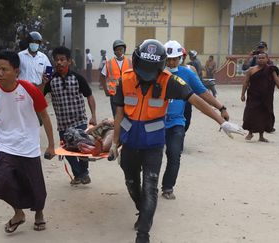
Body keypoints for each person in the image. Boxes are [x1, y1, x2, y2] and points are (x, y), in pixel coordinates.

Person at [107, 39, 244, 243]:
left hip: (153, 145)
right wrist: (114, 142)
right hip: (130, 143)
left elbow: (196, 99)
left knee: (150, 186)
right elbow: (119, 113)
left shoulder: (169, 81)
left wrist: (220, 120)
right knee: (132, 183)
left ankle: (143, 233)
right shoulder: (125, 80)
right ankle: (142, 210)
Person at [0, 50, 55, 233]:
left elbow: (45, 116)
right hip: (6, 144)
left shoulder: (29, 89)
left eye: (4, 69)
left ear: (16, 71)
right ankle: (18, 213)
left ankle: (39, 214)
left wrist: (51, 144)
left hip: (28, 144)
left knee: (36, 186)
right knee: (0, 179)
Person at [161, 40, 230, 200]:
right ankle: (150, 186)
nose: (172, 62)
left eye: (175, 58)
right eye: (169, 58)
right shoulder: (157, 72)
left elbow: (203, 93)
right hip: (156, 121)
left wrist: (222, 108)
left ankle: (168, 187)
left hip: (176, 121)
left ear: (181, 57)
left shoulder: (187, 74)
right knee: (155, 156)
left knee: (174, 154)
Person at [44, 46, 97, 185]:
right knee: (68, 151)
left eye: (62, 59)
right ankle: (79, 174)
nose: (59, 63)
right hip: (63, 124)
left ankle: (83, 174)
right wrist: (43, 82)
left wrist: (93, 115)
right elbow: (38, 96)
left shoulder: (78, 78)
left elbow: (89, 96)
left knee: (82, 148)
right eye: (56, 60)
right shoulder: (50, 81)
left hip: (79, 121)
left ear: (69, 61)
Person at [241, 52, 279, 142]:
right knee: (250, 113)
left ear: (267, 59)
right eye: (259, 58)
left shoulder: (270, 69)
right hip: (253, 96)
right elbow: (245, 82)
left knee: (263, 115)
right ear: (257, 59)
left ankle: (261, 136)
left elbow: (277, 80)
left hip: (266, 97)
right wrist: (242, 94)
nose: (260, 60)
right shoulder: (251, 70)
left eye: (263, 58)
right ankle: (250, 133)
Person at [100, 39, 132, 116]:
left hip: (127, 92)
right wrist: (105, 90)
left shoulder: (130, 62)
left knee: (127, 115)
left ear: (124, 50)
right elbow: (102, 76)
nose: (119, 51)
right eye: (117, 50)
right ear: (114, 51)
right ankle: (117, 127)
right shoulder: (109, 62)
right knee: (116, 114)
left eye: (121, 49)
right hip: (114, 93)